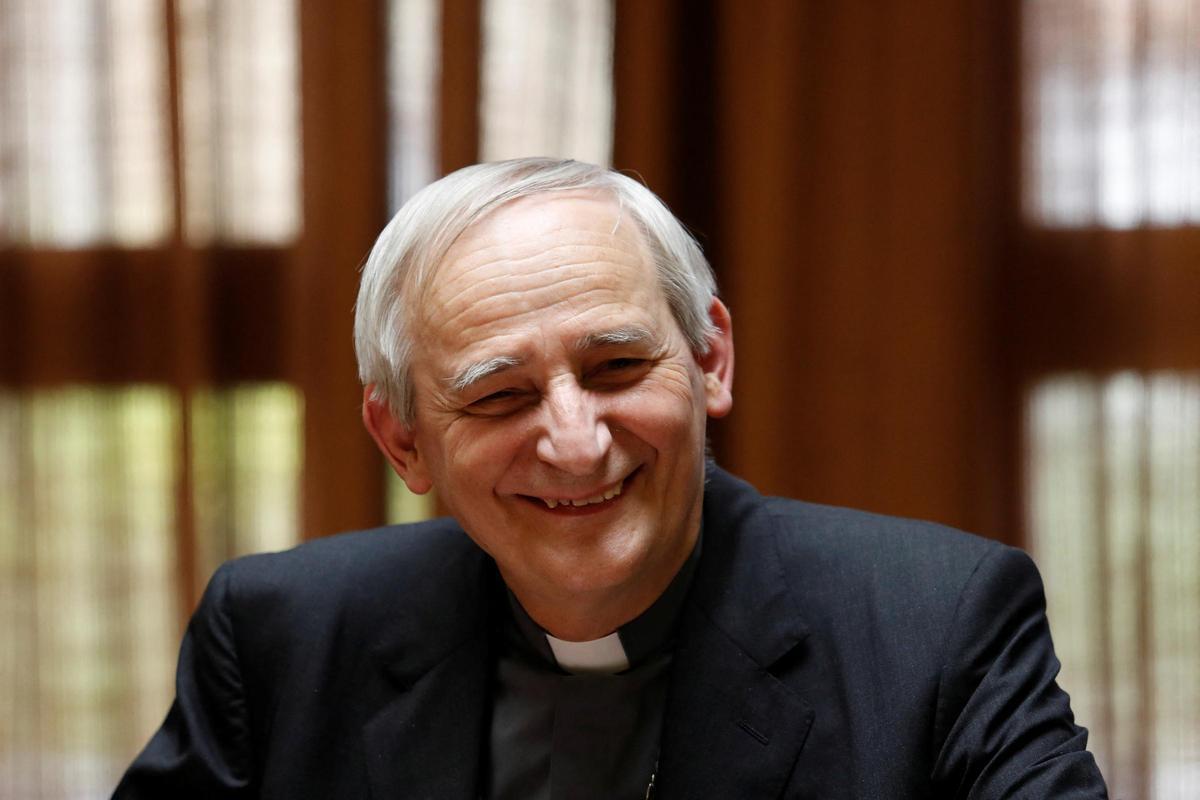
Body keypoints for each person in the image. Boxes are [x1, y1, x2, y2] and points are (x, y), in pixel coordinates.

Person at [113, 158, 1108, 799]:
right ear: (404, 440)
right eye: (499, 395)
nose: (578, 441)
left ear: (709, 358)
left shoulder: (937, 623)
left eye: (617, 367)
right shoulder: (282, 637)